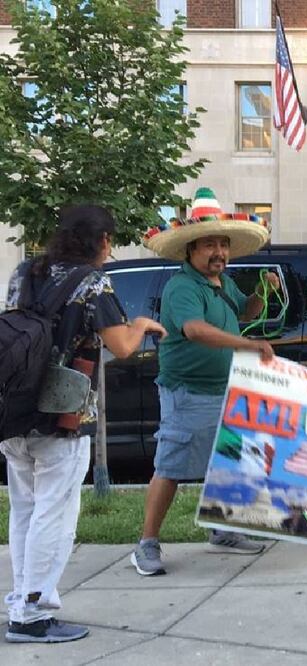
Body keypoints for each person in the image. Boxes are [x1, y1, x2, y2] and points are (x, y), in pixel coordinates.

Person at [2, 205, 166, 643]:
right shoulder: (94, 283)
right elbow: (122, 346)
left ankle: (21, 599)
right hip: (62, 415)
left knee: (25, 510)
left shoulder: (25, 273)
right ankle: (33, 614)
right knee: (54, 514)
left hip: (15, 410)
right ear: (104, 241)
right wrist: (143, 325)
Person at [131, 188, 278, 576]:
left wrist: (263, 291)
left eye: (223, 245)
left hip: (222, 390)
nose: (219, 253)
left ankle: (221, 530)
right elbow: (195, 330)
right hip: (186, 392)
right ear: (190, 250)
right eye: (210, 245)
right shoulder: (182, 287)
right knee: (171, 466)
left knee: (227, 462)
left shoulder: (221, 283)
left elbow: (245, 310)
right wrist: (248, 345)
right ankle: (146, 543)